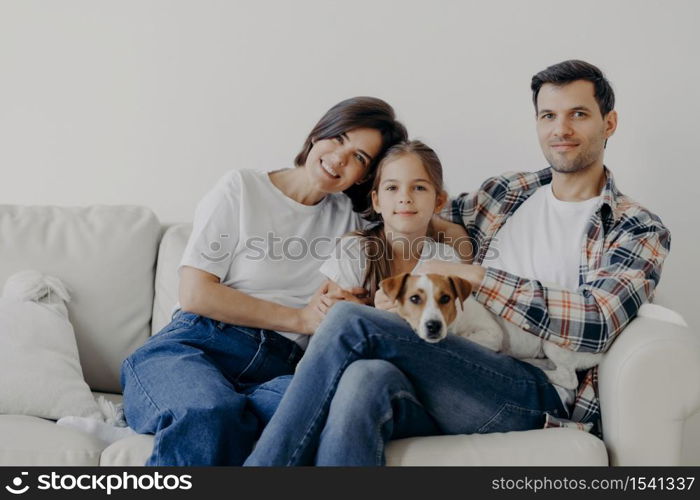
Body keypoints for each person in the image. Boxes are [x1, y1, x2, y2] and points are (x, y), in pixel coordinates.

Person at [244, 60, 672, 466]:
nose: (560, 128)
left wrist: (475, 275)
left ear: (608, 123)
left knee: (349, 323)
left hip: (534, 388)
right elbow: (412, 210)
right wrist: (354, 279)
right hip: (451, 370)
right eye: (548, 115)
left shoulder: (636, 228)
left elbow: (595, 323)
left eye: (578, 114)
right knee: (364, 379)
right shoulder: (506, 194)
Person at [119, 96, 408, 466]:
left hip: (280, 370)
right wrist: (301, 319)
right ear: (319, 132)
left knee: (330, 414)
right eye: (339, 138)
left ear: (366, 177)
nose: (340, 158)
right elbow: (195, 294)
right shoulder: (241, 187)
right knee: (210, 414)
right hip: (198, 344)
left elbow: (420, 210)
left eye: (360, 158)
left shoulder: (355, 225)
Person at [319, 139, 466, 306]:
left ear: (439, 202)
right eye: (392, 188)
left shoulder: (445, 259)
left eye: (419, 188)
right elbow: (333, 321)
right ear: (377, 201)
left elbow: (452, 322)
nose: (405, 198)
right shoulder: (354, 250)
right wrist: (366, 312)